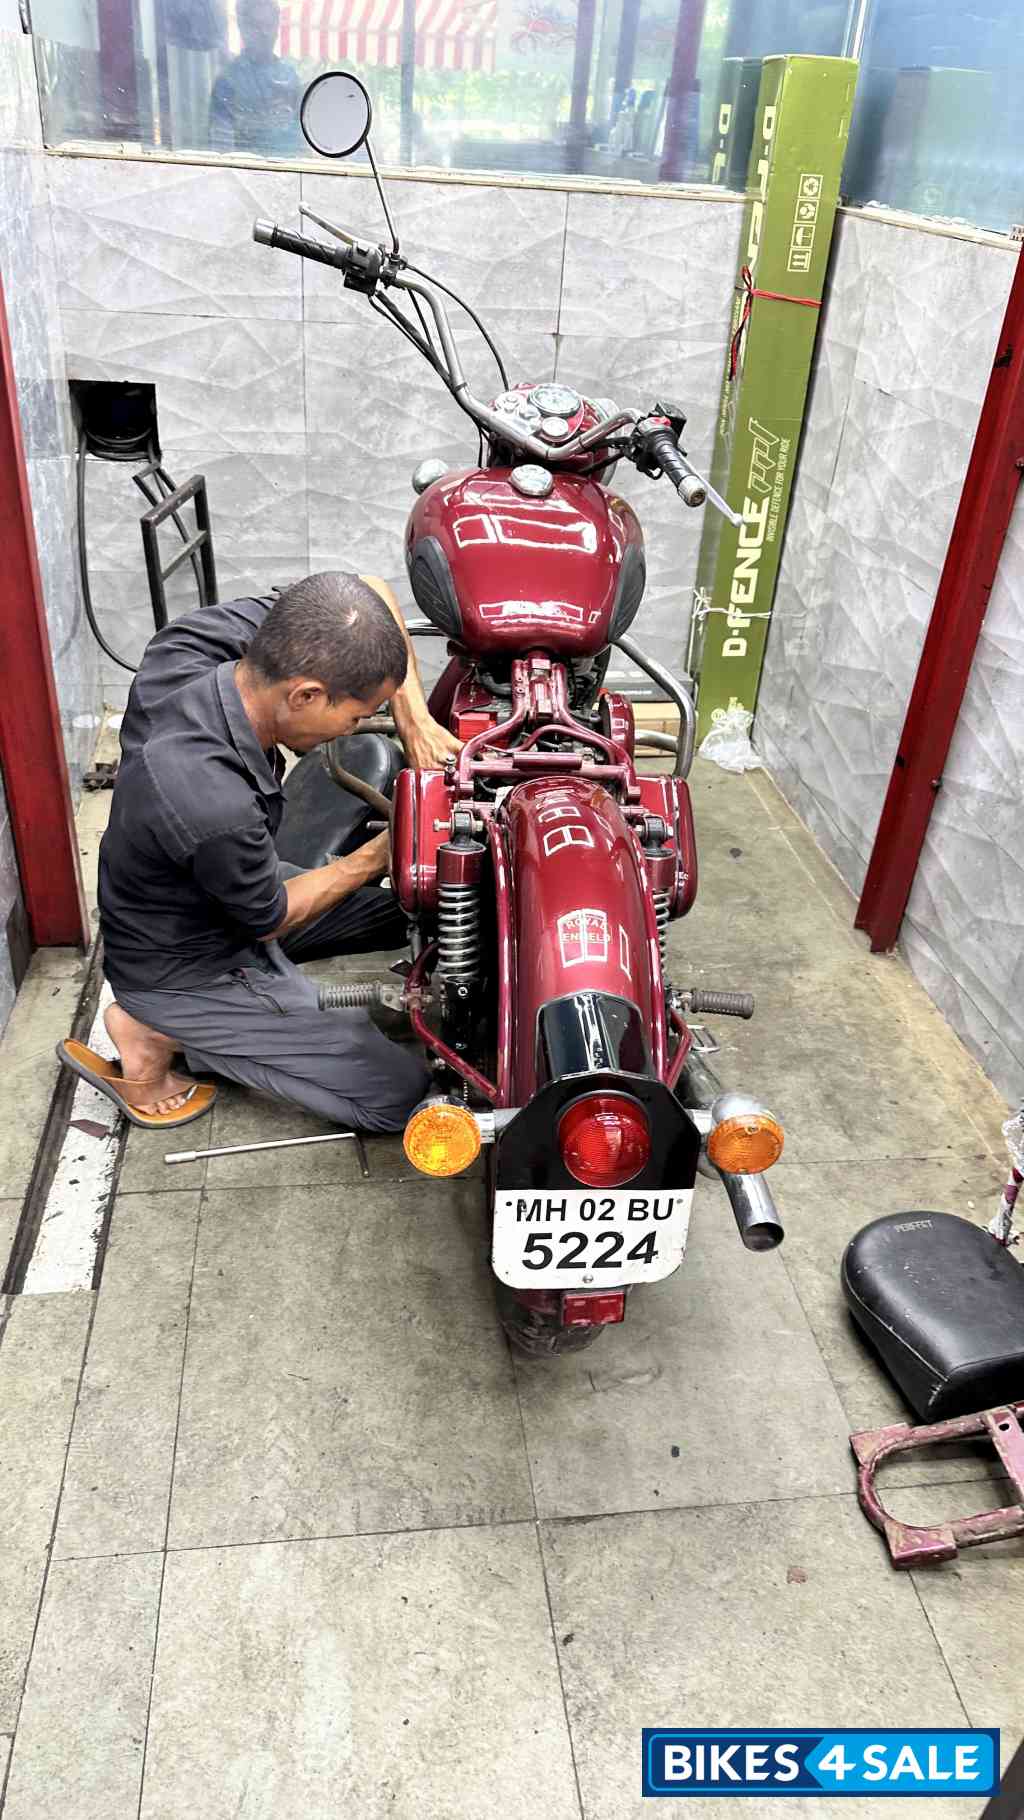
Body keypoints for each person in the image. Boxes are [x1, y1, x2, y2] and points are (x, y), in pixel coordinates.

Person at [58, 573, 461, 1133]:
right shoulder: (207, 799)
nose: (359, 726)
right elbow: (269, 918)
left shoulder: (200, 646)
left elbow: (367, 589)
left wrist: (413, 718)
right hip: (195, 965)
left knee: (415, 907)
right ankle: (160, 1031)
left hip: (213, 891)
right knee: (403, 1098)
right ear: (305, 696)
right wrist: (383, 851)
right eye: (356, 714)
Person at [208, 0, 300, 157]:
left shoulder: (289, 76)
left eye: (269, 24)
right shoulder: (228, 80)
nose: (264, 32)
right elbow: (221, 148)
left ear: (277, 27)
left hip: (288, 172)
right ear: (242, 28)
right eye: (256, 26)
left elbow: (299, 134)